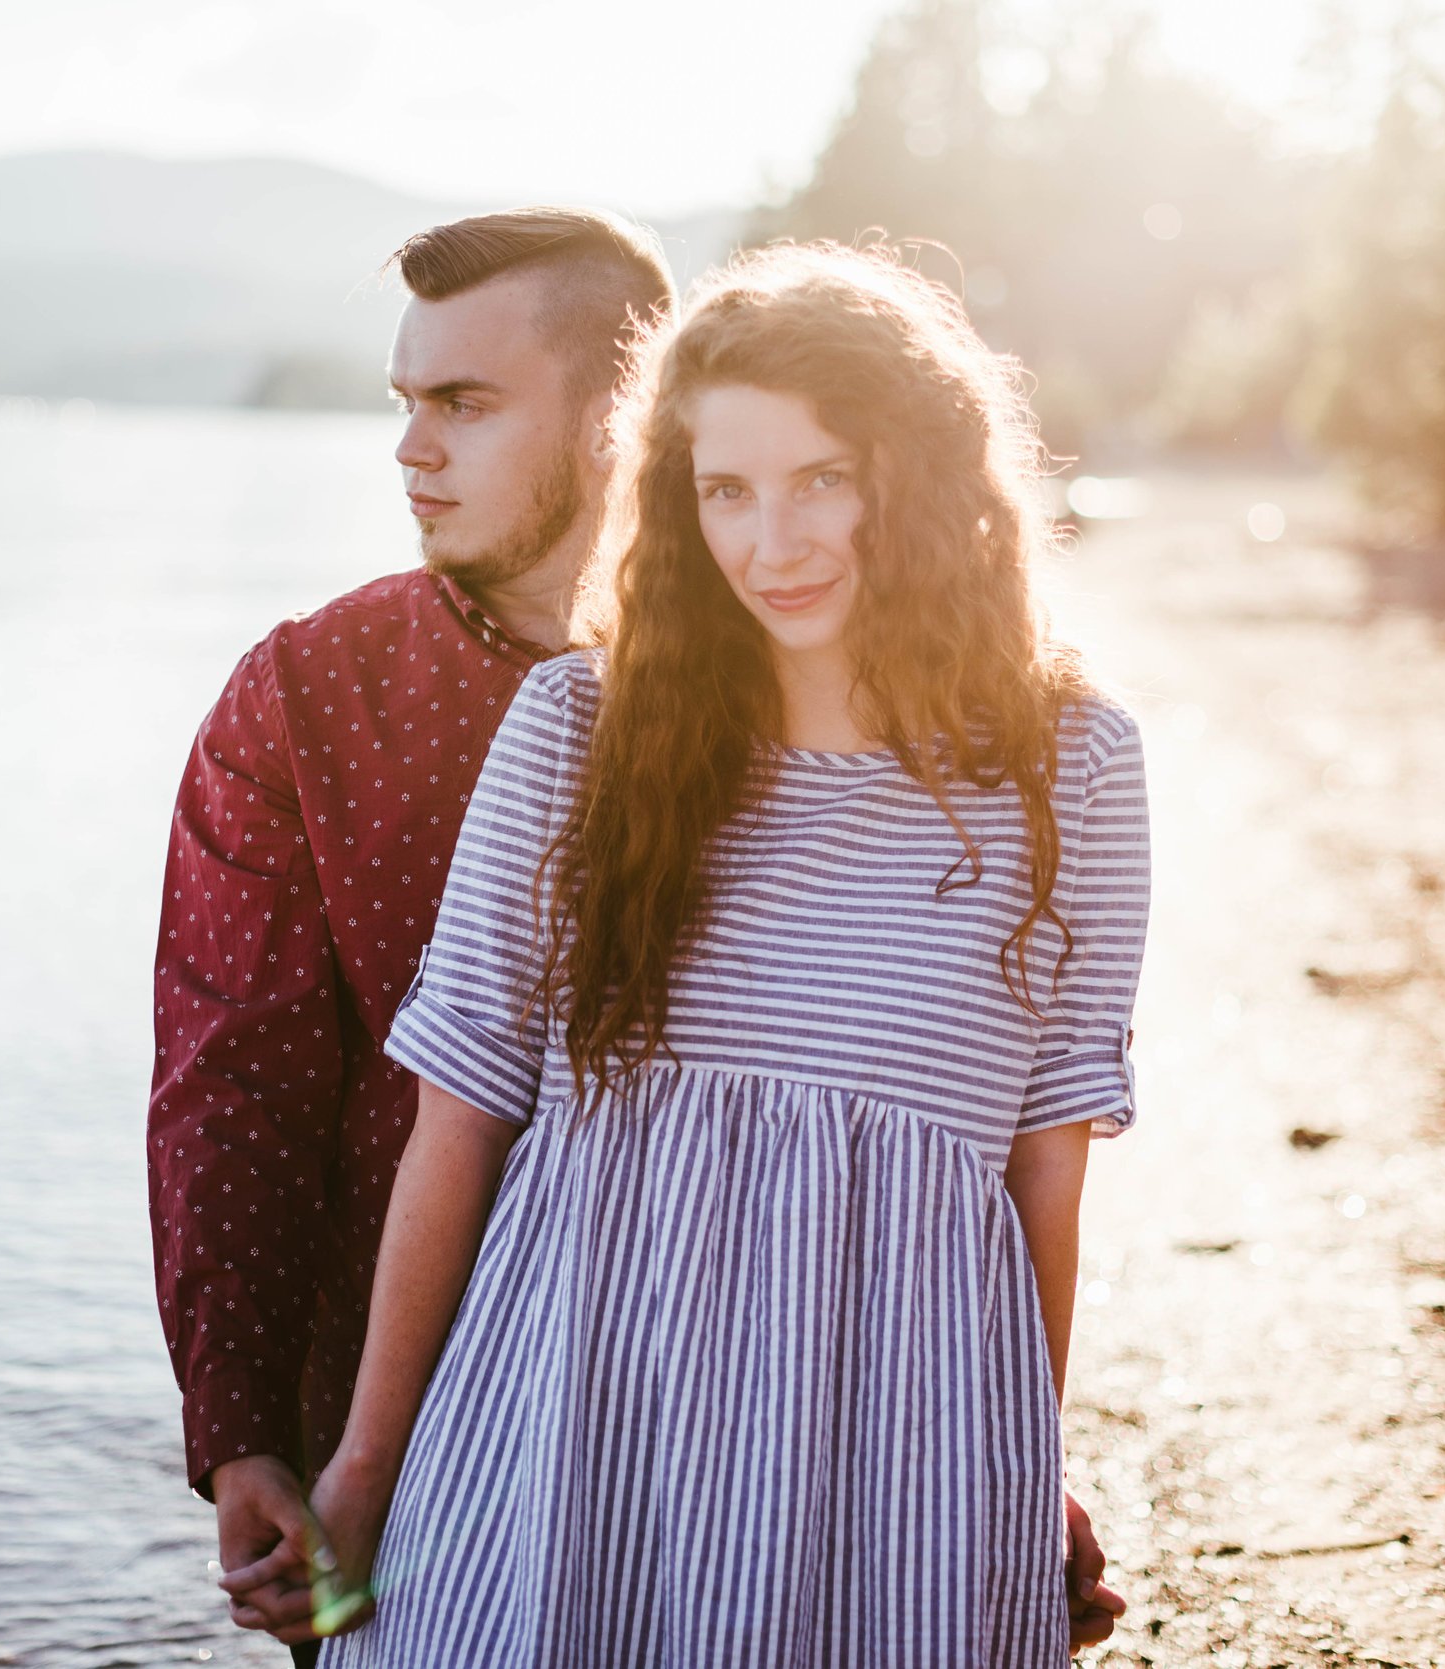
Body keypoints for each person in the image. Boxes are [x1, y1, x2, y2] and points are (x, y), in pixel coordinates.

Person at [304, 242, 1149, 1666]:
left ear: (922, 476)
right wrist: (367, 1464)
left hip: (897, 1460)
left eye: (825, 476)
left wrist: (1023, 1465)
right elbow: (459, 1123)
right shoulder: (580, 733)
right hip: (573, 1432)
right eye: (727, 491)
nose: (777, 541)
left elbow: (1041, 1169)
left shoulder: (1074, 768)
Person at [146, 206, 672, 1665]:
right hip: (390, 1438)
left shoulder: (775, 690)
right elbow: (227, 1074)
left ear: (627, 407)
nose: (410, 448)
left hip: (708, 1398)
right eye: (405, 402)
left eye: (464, 402)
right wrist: (241, 1424)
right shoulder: (306, 698)